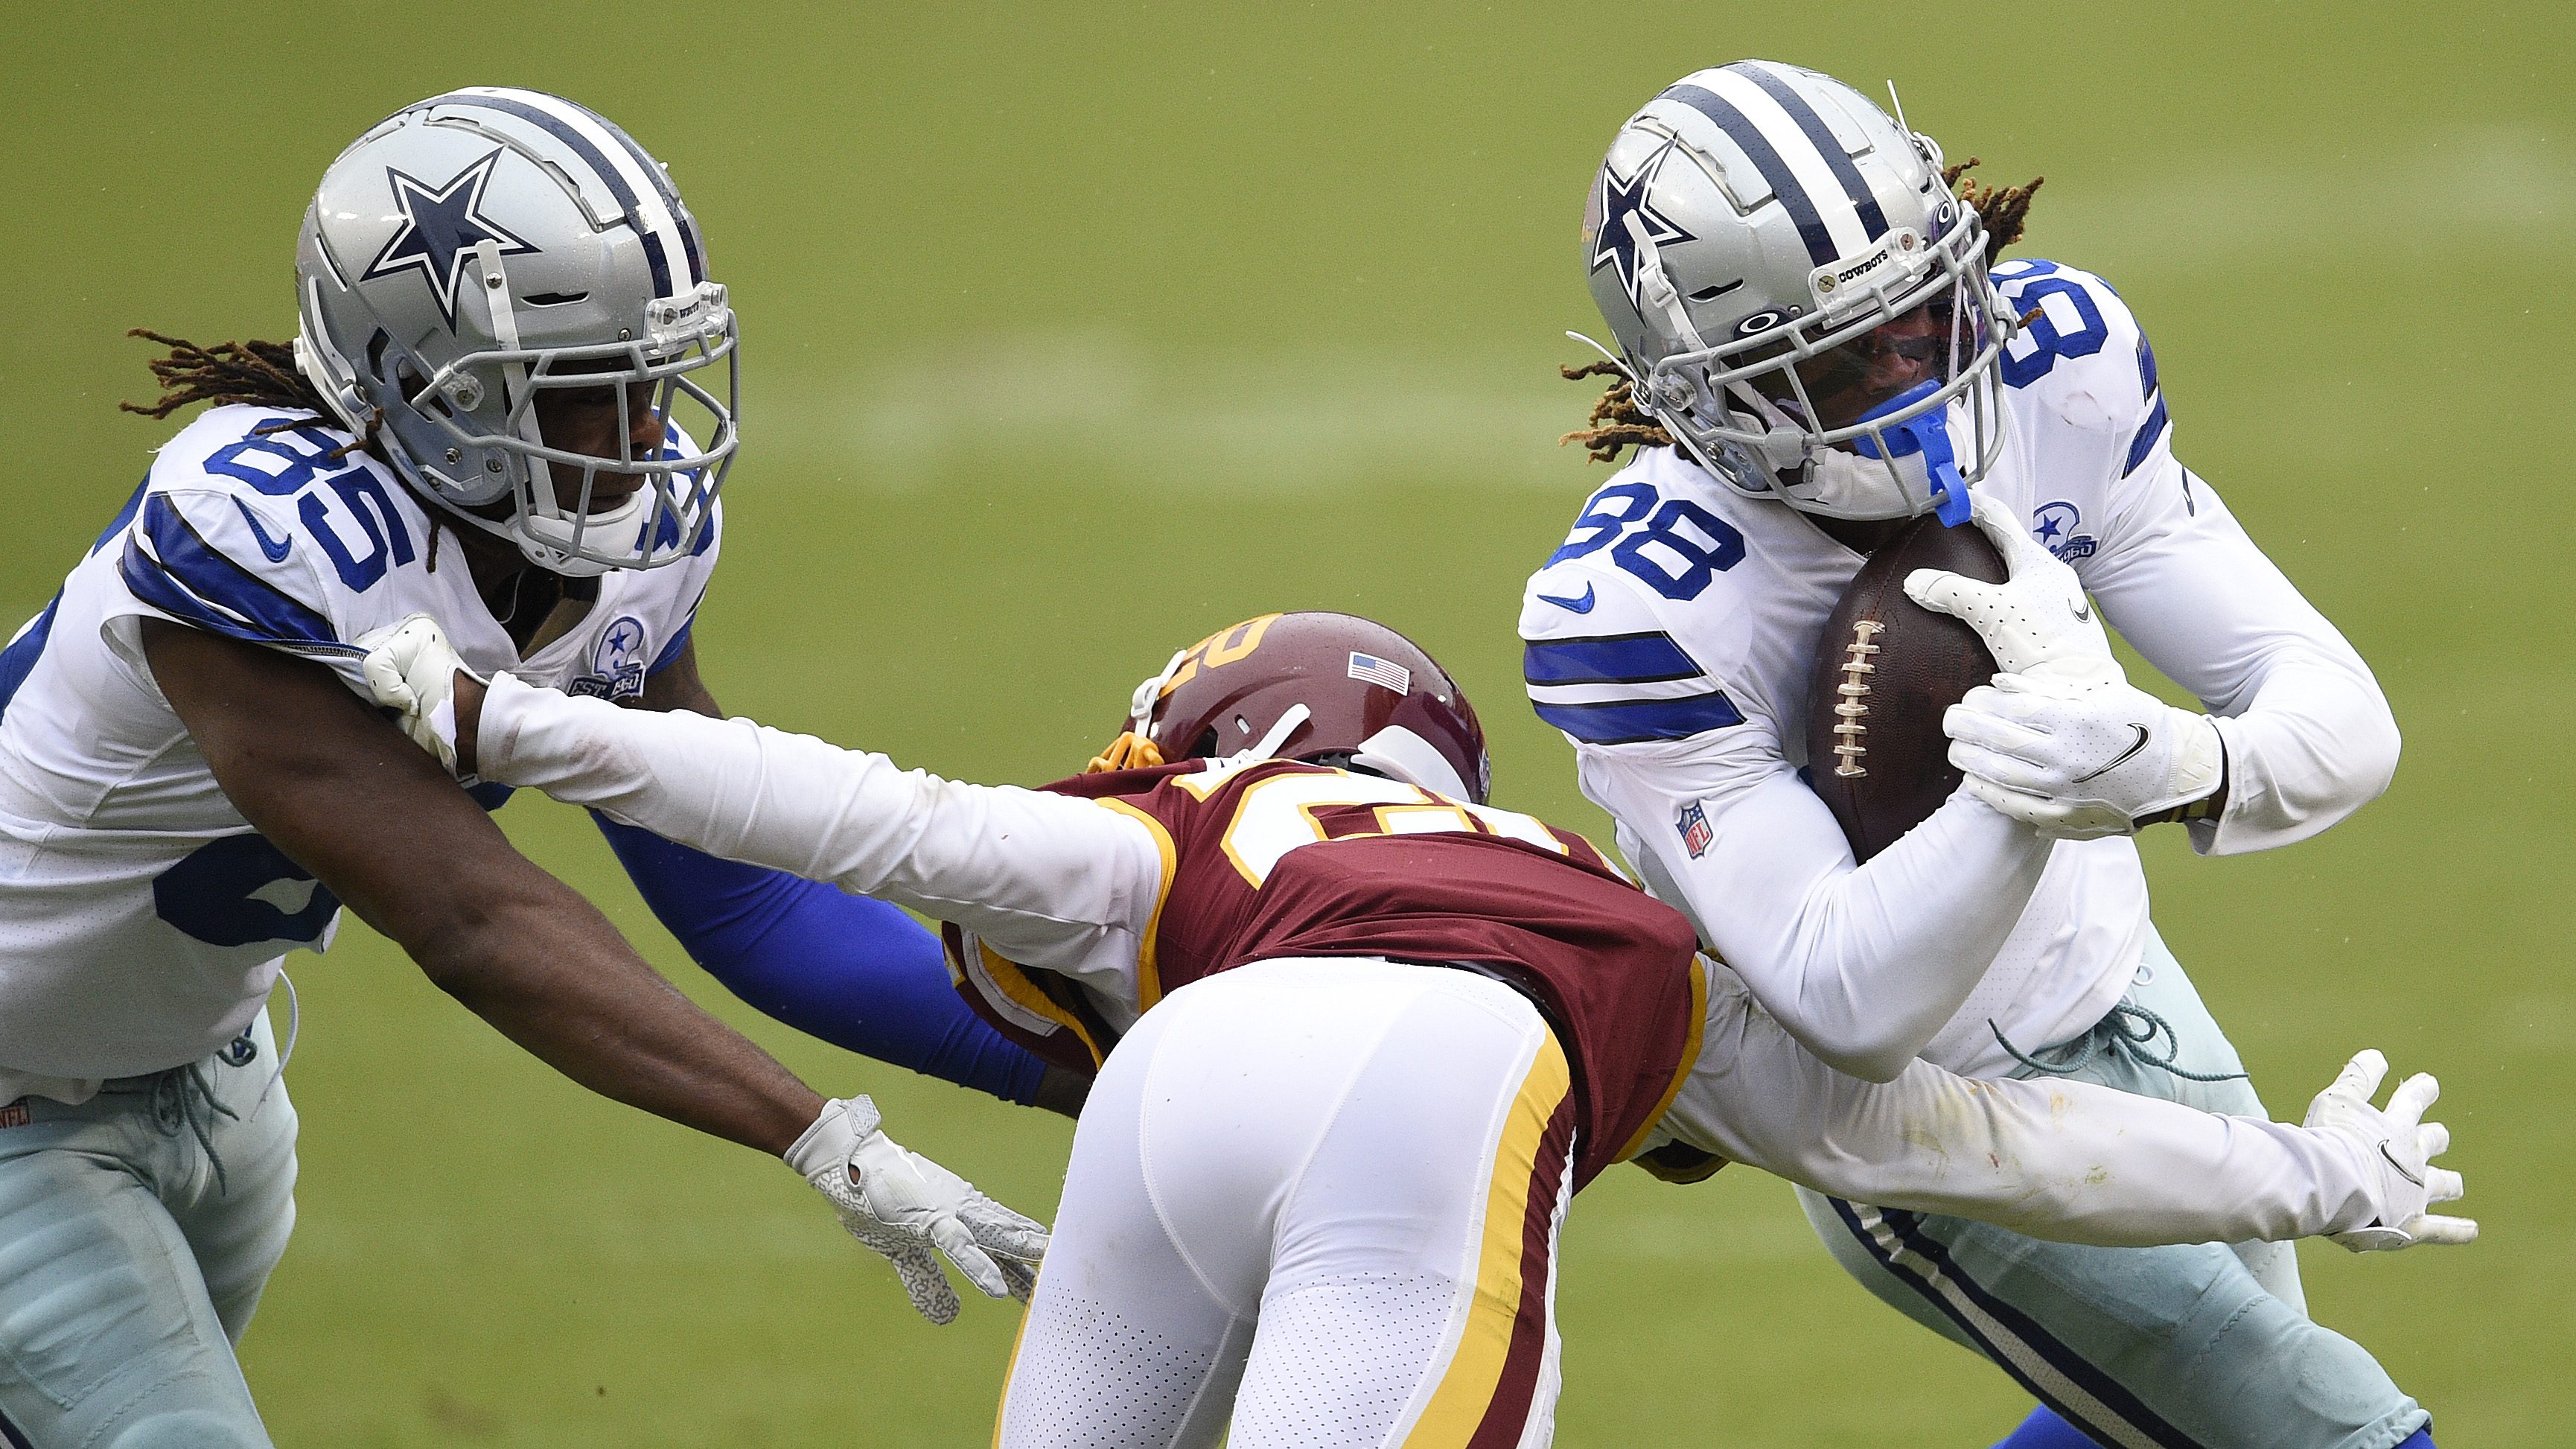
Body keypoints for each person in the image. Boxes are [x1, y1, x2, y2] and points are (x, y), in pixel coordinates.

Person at [361, 605, 2465, 1449]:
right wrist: (2298, 1173)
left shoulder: (1173, 836)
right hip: (1434, 1096)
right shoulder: (1611, 922)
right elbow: (1954, 1145)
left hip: (1176, 1102)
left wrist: (521, 718)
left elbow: (847, 825)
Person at [0, 88, 1048, 1449]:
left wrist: (1074, 1058)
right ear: (424, 397)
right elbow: (474, 916)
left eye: (643, 373)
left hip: (216, 1072)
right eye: (583, 386)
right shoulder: (263, 534)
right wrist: (815, 1134)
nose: (639, 426)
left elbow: (739, 890)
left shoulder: (614, 539)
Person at [1521, 60, 2457, 1449]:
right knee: (2323, 1426)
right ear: (1706, 399)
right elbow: (1851, 1002)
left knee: (2196, 1422)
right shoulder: (1641, 602)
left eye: (1928, 312)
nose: (1918, 372)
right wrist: (2030, 781)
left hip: (2123, 976)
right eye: (1843, 360)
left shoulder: (2053, 364)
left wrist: (2174, 762)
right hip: (1912, 1118)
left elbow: (2340, 718)